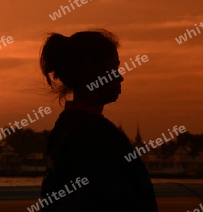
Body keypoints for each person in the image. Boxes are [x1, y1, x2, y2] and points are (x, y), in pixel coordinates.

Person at [38, 30, 158, 212]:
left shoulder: (70, 127)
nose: (120, 76)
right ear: (91, 69)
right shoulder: (92, 134)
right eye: (114, 68)